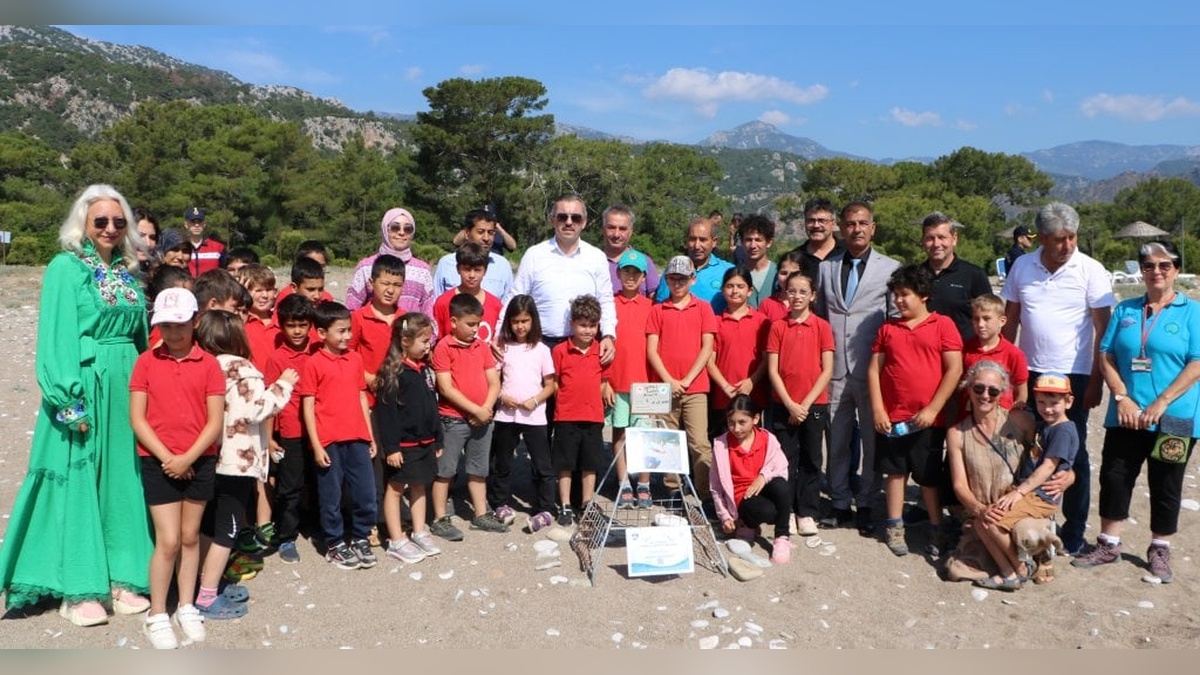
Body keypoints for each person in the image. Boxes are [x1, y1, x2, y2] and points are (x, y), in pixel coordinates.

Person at [0, 185, 154, 627]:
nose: (110, 228)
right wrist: (68, 400)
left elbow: (140, 335)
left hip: (127, 385)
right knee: (78, 477)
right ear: (82, 224)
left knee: (123, 480)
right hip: (85, 384)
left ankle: (124, 574)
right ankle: (77, 585)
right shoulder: (64, 269)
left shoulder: (126, 271)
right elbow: (56, 336)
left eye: (118, 221)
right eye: (100, 221)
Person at [1073, 240, 1200, 583]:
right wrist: (1121, 396)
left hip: (1175, 415)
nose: (1156, 271)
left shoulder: (1193, 311)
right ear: (1141, 271)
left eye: (1164, 265)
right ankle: (1108, 544)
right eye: (1149, 266)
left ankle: (1159, 548)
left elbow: (1197, 362)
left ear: (1175, 269)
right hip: (1126, 412)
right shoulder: (1126, 310)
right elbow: (1106, 354)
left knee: (1166, 481)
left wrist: (1162, 402)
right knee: (1115, 476)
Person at [1001, 201, 1115, 555]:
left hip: (1075, 374)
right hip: (1030, 370)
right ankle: (1031, 519)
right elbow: (1011, 320)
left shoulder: (1091, 269)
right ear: (1042, 238)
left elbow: (1103, 331)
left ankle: (1075, 530)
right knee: (1026, 447)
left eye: (1072, 237)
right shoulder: (1022, 266)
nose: (1067, 245)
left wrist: (1097, 381)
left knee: (1072, 452)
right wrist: (1006, 372)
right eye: (1059, 239)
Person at [128, 287, 225, 648]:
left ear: (195, 321)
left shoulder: (210, 365)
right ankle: (157, 613)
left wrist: (188, 458)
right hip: (157, 460)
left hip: (199, 460)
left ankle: (186, 604)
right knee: (167, 540)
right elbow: (138, 419)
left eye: (180, 324)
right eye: (166, 325)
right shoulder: (146, 361)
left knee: (189, 537)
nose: (173, 332)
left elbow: (214, 422)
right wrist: (170, 458)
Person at [193, 310, 296, 620]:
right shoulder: (242, 370)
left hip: (208, 458)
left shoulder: (202, 364)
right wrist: (283, 385)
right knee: (229, 530)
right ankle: (208, 596)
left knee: (208, 526)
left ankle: (203, 582)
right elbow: (257, 409)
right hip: (236, 463)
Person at [814, 200, 901, 534]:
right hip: (835, 370)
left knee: (870, 442)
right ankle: (838, 501)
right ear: (841, 227)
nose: (856, 229)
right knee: (835, 440)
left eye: (862, 223)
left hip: (872, 370)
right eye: (850, 224)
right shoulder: (826, 267)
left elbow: (894, 320)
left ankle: (865, 502)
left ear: (873, 227)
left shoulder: (890, 268)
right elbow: (822, 318)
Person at [868, 264, 963, 556]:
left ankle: (937, 526)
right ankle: (894, 525)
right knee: (894, 474)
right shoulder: (887, 329)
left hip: (927, 421)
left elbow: (954, 368)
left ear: (923, 295)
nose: (898, 301)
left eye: (905, 294)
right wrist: (878, 410)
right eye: (895, 295)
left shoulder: (943, 325)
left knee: (929, 477)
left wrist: (934, 409)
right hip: (894, 418)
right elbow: (874, 371)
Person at [944, 361, 1068, 585]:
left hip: (1020, 506)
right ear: (968, 387)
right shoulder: (957, 433)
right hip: (984, 513)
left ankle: (1029, 558)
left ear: (1003, 392)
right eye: (978, 388)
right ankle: (1021, 565)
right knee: (957, 570)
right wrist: (980, 509)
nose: (985, 395)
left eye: (993, 390)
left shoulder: (1020, 421)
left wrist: (1070, 476)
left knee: (1027, 534)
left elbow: (1049, 458)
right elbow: (959, 485)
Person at [297, 301, 379, 571]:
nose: (347, 336)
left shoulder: (355, 358)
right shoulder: (313, 363)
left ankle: (360, 537)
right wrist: (316, 444)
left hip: (357, 437)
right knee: (331, 496)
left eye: (349, 330)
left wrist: (370, 436)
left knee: (365, 493)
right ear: (321, 334)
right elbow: (308, 405)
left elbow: (360, 397)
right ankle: (334, 543)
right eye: (340, 331)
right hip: (329, 440)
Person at [430, 294, 508, 540]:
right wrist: (475, 410)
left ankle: (480, 513)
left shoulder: (482, 346)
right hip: (452, 419)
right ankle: (440, 517)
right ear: (453, 321)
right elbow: (445, 388)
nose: (475, 330)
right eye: (470, 324)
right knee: (445, 470)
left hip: (482, 419)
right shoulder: (443, 347)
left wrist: (485, 408)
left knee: (478, 468)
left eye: (478, 324)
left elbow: (494, 381)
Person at [506, 195, 616, 364]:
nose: (569, 222)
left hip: (582, 345)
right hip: (539, 346)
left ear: (584, 222)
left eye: (576, 218)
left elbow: (605, 300)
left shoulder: (596, 257)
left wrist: (608, 335)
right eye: (562, 216)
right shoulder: (534, 255)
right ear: (553, 220)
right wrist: (500, 334)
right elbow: (515, 298)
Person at [766, 271, 834, 538]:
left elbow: (826, 370)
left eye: (803, 292)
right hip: (783, 404)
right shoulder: (778, 327)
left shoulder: (821, 327)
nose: (796, 296)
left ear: (813, 295)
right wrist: (791, 404)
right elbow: (773, 371)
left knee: (811, 460)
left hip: (813, 405)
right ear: (784, 294)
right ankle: (787, 511)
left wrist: (804, 405)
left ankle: (807, 511)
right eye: (791, 291)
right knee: (785, 460)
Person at [373, 313, 445, 564]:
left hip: (425, 442)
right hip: (403, 445)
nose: (428, 346)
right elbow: (387, 415)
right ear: (405, 340)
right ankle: (396, 539)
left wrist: (438, 438)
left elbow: (432, 407)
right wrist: (391, 448)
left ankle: (419, 531)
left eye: (429, 341)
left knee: (420, 485)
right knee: (395, 490)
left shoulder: (425, 369)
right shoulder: (394, 373)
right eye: (424, 341)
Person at [647, 255, 718, 503]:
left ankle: (705, 491)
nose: (677, 283)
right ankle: (673, 488)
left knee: (699, 442)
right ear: (666, 279)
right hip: (665, 387)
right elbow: (652, 350)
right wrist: (669, 379)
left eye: (683, 278)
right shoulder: (658, 310)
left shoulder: (703, 308)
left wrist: (687, 379)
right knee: (666, 441)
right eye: (673, 278)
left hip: (696, 386)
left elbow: (707, 346)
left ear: (692, 279)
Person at [348, 254, 406, 546]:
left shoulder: (404, 318)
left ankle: (390, 517)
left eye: (397, 284)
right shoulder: (358, 317)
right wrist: (368, 377)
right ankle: (369, 521)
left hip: (398, 403)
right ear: (372, 283)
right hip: (369, 401)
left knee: (396, 460)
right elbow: (350, 354)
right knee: (373, 463)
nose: (390, 289)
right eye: (385, 282)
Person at [489, 296, 557, 525]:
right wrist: (500, 397)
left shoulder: (542, 350)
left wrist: (535, 401)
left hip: (534, 416)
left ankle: (546, 507)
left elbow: (551, 385)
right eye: (515, 321)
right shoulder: (502, 347)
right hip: (505, 415)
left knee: (542, 464)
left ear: (533, 321)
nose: (520, 326)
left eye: (525, 321)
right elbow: (493, 380)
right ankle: (499, 502)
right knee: (502, 462)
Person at [264, 295, 318, 565]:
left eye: (302, 325)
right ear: (282, 327)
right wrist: (270, 438)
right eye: (291, 326)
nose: (297, 331)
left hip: (320, 430)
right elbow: (272, 399)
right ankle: (286, 535)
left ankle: (318, 529)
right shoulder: (277, 358)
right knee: (290, 486)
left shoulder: (320, 349)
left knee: (320, 481)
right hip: (291, 431)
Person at [709, 395, 794, 564]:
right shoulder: (721, 445)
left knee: (782, 486)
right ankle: (746, 523)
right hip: (742, 496)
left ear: (756, 418)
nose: (736, 428)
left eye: (742, 422)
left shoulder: (767, 439)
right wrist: (725, 516)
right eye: (731, 422)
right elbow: (716, 486)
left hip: (763, 486)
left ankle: (782, 537)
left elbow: (781, 465)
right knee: (767, 511)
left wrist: (764, 476)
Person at [550, 295, 610, 526]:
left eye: (592, 326)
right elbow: (554, 382)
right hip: (565, 416)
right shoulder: (560, 351)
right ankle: (565, 504)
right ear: (573, 324)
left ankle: (587, 503)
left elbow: (605, 381)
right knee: (564, 464)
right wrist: (563, 402)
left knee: (590, 463)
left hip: (593, 416)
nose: (587, 330)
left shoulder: (601, 351)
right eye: (583, 325)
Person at [604, 250, 655, 509]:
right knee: (620, 433)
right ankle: (623, 482)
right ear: (618, 273)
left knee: (644, 435)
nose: (631, 277)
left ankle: (643, 483)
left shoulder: (651, 308)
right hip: (617, 381)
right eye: (626, 271)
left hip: (645, 384)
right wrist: (605, 381)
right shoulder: (609, 305)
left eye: (636, 273)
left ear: (645, 277)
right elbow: (602, 346)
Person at [707, 266, 769, 438]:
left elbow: (766, 359)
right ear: (722, 290)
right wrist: (725, 386)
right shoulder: (715, 321)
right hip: (723, 395)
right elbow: (709, 361)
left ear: (749, 291)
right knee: (723, 444)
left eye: (740, 286)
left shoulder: (761, 321)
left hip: (752, 394)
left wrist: (751, 381)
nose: (735, 291)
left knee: (753, 443)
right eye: (730, 286)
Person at [346, 207, 436, 315]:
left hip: (410, 331)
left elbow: (429, 311)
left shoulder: (423, 271)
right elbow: (351, 308)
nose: (401, 233)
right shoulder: (366, 267)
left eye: (407, 229)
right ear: (385, 229)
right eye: (395, 227)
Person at [920, 212, 992, 342]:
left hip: (964, 355)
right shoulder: (915, 275)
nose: (936, 244)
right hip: (925, 356)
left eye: (942, 237)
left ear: (954, 239)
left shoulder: (974, 275)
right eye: (930, 238)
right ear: (923, 241)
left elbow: (989, 317)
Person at [960, 294, 1028, 417]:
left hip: (1001, 419)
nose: (980, 324)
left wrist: (1014, 416)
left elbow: (1022, 392)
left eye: (986, 319)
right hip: (969, 418)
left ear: (1002, 321)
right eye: (976, 319)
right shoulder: (965, 349)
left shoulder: (1013, 353)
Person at [656, 216, 734, 313]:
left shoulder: (728, 272)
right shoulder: (672, 270)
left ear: (714, 242)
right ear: (686, 241)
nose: (697, 246)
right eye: (692, 239)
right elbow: (660, 307)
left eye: (703, 240)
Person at [432, 243, 503, 344]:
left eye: (477, 270)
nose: (472, 275)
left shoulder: (495, 305)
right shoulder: (443, 302)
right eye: (467, 269)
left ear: (485, 271)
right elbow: (437, 339)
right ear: (458, 269)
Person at [435, 208, 514, 300]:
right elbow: (436, 301)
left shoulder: (502, 265)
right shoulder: (446, 263)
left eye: (491, 233)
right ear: (467, 233)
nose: (486, 238)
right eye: (480, 232)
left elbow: (508, 304)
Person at [601, 204, 661, 297]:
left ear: (631, 232)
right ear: (603, 229)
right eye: (611, 227)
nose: (616, 234)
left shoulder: (644, 261)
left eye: (622, 229)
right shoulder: (592, 261)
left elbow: (655, 299)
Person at [231, 263, 280, 373]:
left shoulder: (281, 320)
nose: (265, 296)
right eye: (258, 291)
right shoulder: (240, 322)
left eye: (268, 290)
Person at [790, 198, 844, 283]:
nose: (816, 225)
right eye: (811, 220)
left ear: (833, 223)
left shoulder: (846, 252)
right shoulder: (795, 258)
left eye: (822, 221)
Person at [736, 215, 777, 309]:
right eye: (748, 240)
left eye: (758, 240)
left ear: (769, 242)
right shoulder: (735, 274)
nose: (753, 245)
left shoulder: (778, 274)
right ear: (742, 242)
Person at [758, 250, 805, 323]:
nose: (788, 278)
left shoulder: (807, 304)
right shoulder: (767, 304)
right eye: (783, 273)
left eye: (794, 274)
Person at [452, 203, 517, 254]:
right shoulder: (472, 231)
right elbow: (456, 242)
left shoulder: (499, 233)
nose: (486, 238)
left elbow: (512, 247)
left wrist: (501, 229)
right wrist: (469, 226)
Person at [182, 206, 225, 278]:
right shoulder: (181, 247)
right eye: (193, 222)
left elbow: (224, 272)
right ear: (186, 224)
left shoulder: (218, 248)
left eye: (200, 222)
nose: (196, 225)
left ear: (204, 224)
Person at [133, 207, 160, 276]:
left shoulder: (157, 275)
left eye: (152, 237)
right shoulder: (110, 272)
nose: (147, 244)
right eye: (140, 235)